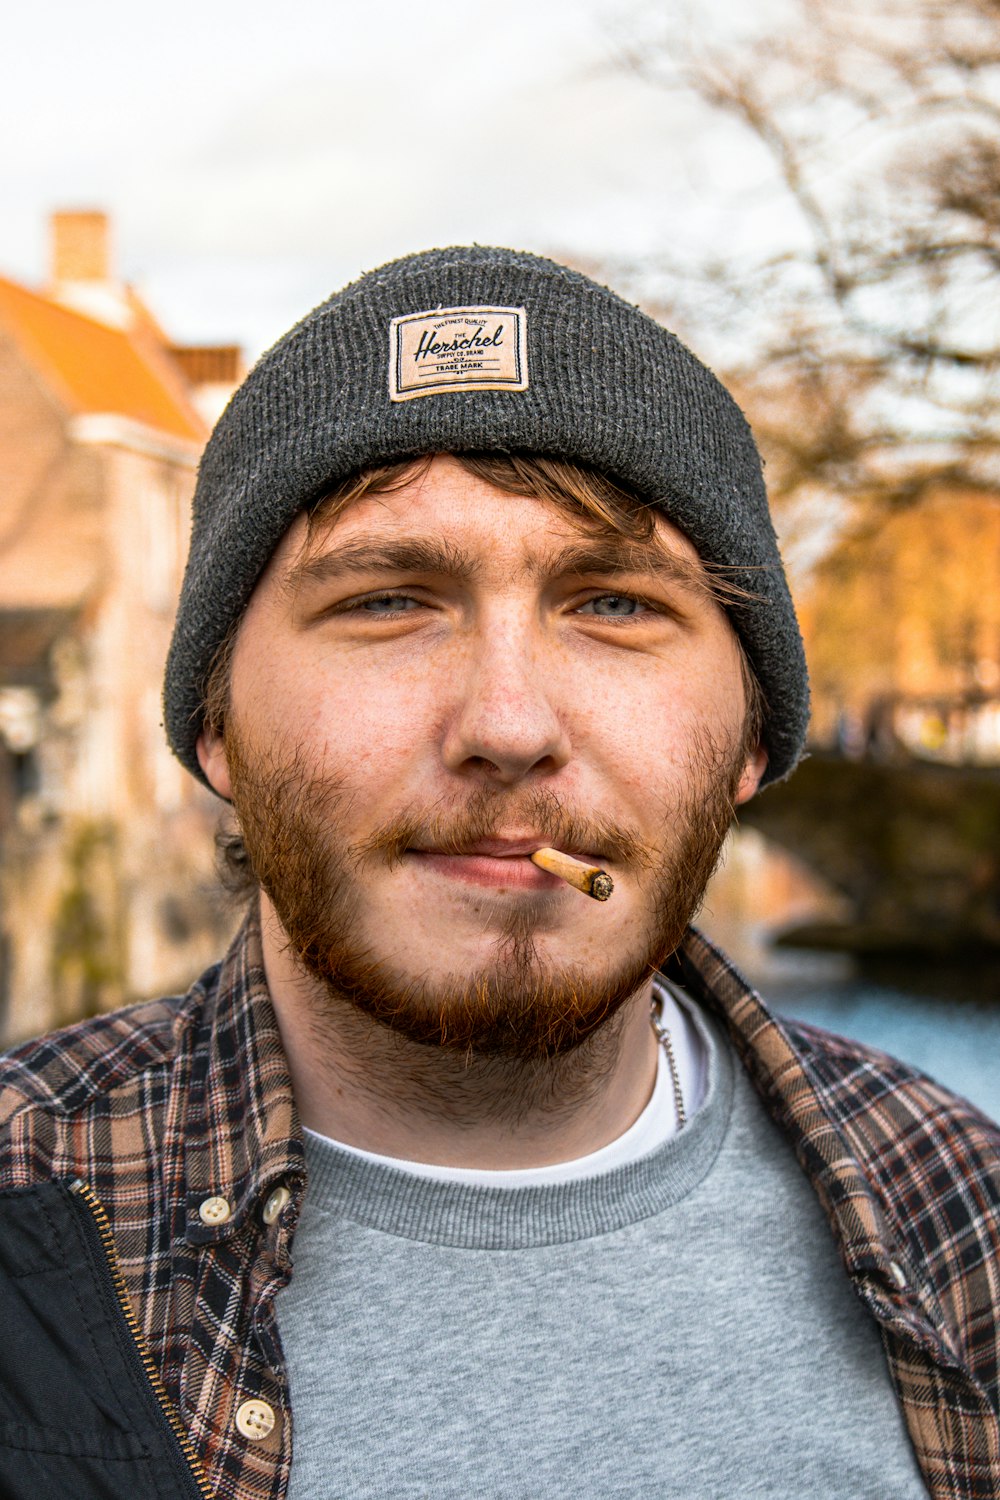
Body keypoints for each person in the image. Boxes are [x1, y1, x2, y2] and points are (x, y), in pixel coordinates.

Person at [0, 247, 997, 1500]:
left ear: (753, 735)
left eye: (617, 605)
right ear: (215, 728)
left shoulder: (968, 1212)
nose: (509, 723)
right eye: (388, 603)